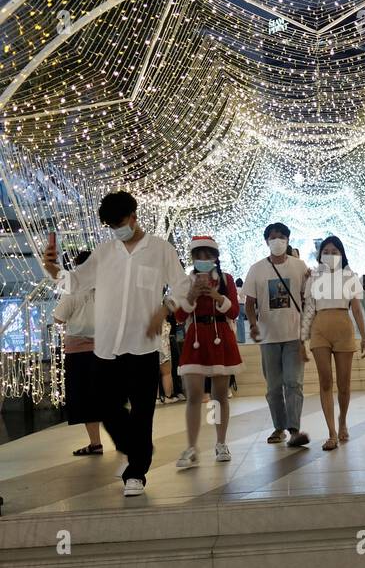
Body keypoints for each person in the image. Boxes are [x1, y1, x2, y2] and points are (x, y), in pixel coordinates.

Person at [42, 191, 190, 497]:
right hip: (106, 347)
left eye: (120, 223)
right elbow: (75, 281)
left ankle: (136, 472)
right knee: (106, 407)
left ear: (134, 217)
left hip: (143, 346)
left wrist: (164, 308)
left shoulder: (160, 250)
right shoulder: (105, 252)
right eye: (111, 226)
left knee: (142, 411)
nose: (117, 230)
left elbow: (182, 284)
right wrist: (53, 269)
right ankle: (136, 448)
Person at [175, 236, 242, 468]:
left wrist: (216, 296)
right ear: (193, 258)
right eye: (198, 256)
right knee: (193, 394)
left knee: (219, 395)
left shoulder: (226, 280)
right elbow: (179, 316)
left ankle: (220, 442)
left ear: (215, 257)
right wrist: (193, 294)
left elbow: (233, 311)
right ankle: (191, 446)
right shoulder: (186, 282)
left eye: (208, 255)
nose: (203, 260)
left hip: (219, 336)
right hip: (195, 337)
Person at [243, 222, 310, 448]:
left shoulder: (300, 266)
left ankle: (294, 429)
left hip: (294, 336)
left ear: (288, 240)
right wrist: (253, 324)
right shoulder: (256, 269)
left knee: (293, 382)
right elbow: (249, 303)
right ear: (266, 241)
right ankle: (279, 427)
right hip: (268, 337)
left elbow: (308, 297)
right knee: (273, 387)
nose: (277, 240)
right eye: (273, 237)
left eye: (282, 236)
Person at [301, 236, 365, 450]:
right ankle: (331, 432)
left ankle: (342, 421)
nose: (330, 254)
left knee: (344, 385)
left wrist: (364, 336)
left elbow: (356, 308)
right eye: (326, 251)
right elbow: (309, 308)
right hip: (320, 328)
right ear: (320, 254)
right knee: (325, 382)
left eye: (335, 251)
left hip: (343, 327)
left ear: (342, 254)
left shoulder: (349, 276)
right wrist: (302, 338)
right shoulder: (313, 277)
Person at [53, 250, 102, 456]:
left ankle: (96, 443)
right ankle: (123, 439)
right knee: (107, 396)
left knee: (86, 399)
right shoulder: (107, 290)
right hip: (105, 349)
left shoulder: (71, 292)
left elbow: (58, 319)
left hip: (78, 352)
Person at [234, 278, 247, 343]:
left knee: (239, 323)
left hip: (238, 305)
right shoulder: (244, 289)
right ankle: (242, 338)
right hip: (243, 306)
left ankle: (240, 339)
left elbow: (236, 298)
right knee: (241, 322)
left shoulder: (236, 289)